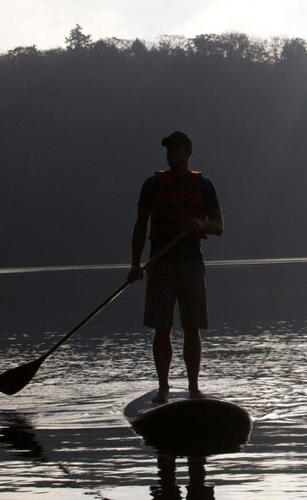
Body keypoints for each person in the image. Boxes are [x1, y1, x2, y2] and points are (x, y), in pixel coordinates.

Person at [127, 131, 224, 403]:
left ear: (188, 152)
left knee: (192, 328)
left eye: (176, 149)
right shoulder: (151, 185)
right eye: (168, 149)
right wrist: (135, 264)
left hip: (192, 264)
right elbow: (140, 226)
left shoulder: (204, 186)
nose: (171, 153)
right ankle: (163, 388)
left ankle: (194, 388)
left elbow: (219, 227)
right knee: (162, 328)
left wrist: (200, 225)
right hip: (161, 265)